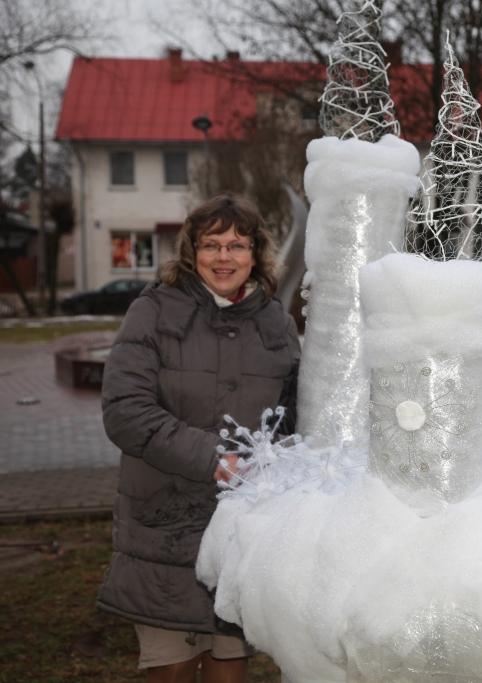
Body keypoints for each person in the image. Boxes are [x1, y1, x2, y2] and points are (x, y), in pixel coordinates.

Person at [99, 194, 300, 682]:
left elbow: (292, 421)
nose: (224, 257)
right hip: (164, 528)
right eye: (212, 245)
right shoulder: (153, 312)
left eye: (237, 244)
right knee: (171, 668)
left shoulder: (275, 322)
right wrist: (215, 459)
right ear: (192, 252)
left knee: (229, 671)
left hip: (239, 530)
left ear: (256, 253)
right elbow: (126, 411)